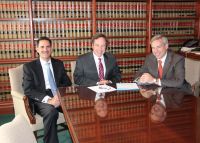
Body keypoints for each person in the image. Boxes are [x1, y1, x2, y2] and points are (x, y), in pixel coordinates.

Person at [22, 37, 72, 143]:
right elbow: (28, 89)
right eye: (42, 47)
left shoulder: (58, 63)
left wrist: (58, 95)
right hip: (41, 98)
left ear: (52, 48)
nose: (45, 49)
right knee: (51, 112)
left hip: (58, 95)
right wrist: (49, 100)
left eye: (48, 46)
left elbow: (67, 83)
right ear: (37, 49)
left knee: (77, 108)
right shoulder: (29, 67)